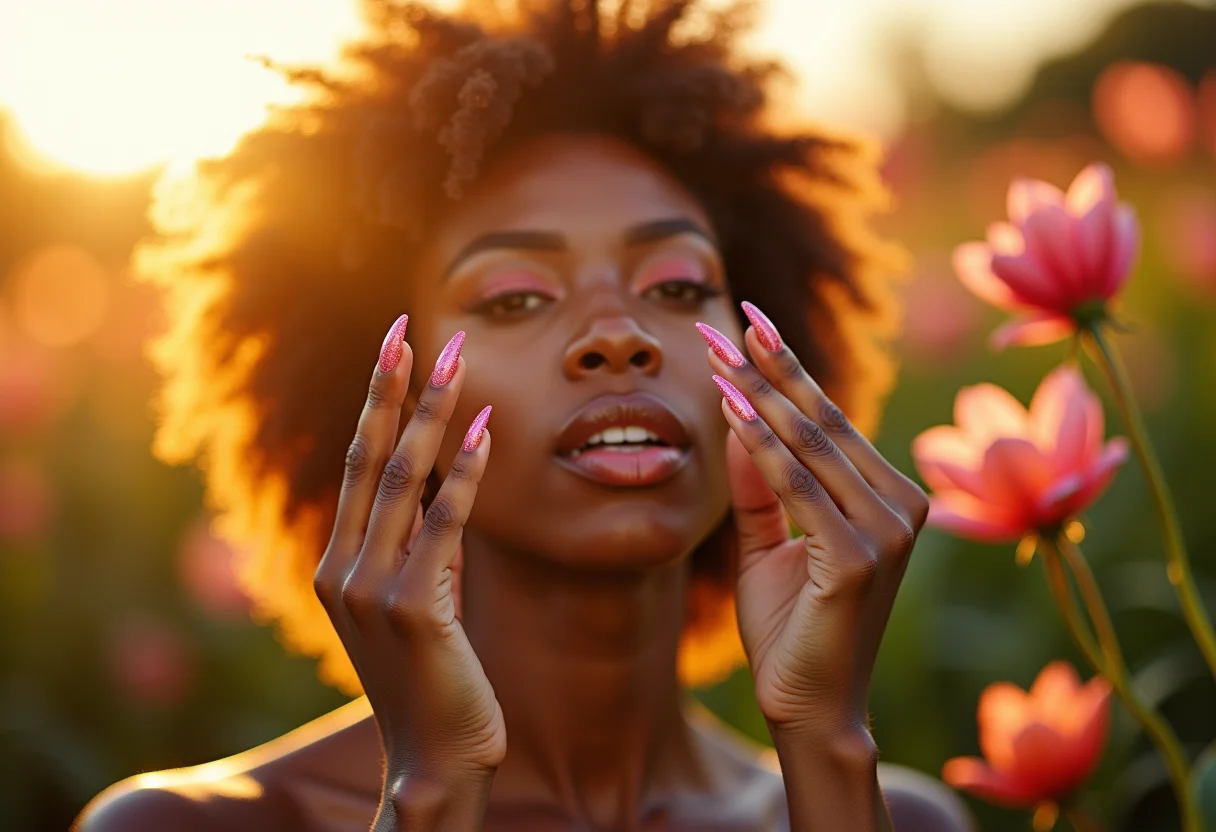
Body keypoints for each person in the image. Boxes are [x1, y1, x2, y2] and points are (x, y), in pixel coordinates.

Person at [75, 1, 975, 829]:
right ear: (389, 393)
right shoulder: (189, 826)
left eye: (675, 286)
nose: (619, 334)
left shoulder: (893, 817)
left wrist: (826, 744)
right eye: (515, 297)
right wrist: (433, 789)